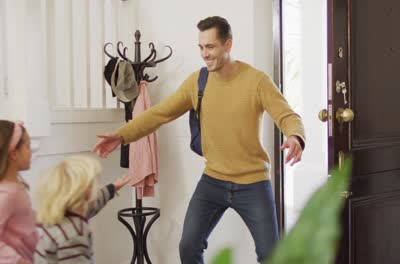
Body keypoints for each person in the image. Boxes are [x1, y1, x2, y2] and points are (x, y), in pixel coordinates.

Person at [92, 16, 305, 263]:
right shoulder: (198, 81)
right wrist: (122, 135)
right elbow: (160, 114)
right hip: (213, 181)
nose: (205, 54)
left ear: (228, 45)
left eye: (211, 46)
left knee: (271, 255)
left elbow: (287, 114)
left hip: (253, 183)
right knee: (189, 247)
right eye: (201, 47)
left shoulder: (256, 81)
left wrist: (295, 136)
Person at [33, 155, 130, 264]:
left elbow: (95, 202)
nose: (97, 188)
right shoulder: (74, 234)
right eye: (94, 184)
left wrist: (112, 188)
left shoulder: (65, 216)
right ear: (86, 192)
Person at [0, 120, 37, 264]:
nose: (31, 150)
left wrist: (48, 216)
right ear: (14, 154)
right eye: (27, 146)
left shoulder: (15, 186)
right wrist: (19, 261)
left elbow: (22, 216)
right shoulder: (7, 193)